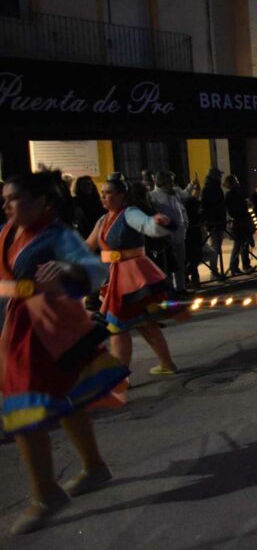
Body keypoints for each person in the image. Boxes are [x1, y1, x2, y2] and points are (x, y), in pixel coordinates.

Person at [1, 172, 130, 534]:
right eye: (5, 199)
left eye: (15, 198)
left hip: (50, 331)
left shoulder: (58, 235)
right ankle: (94, 467)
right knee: (68, 398)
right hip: (19, 329)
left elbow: (94, 270)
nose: (7, 205)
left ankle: (47, 493)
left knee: (22, 408)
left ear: (43, 201)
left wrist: (69, 268)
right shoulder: (7, 234)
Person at [86, 175, 179, 376]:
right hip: (118, 277)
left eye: (108, 193)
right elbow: (87, 245)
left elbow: (147, 225)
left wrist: (158, 223)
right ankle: (166, 364)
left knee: (118, 326)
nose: (103, 196)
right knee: (144, 324)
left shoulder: (130, 213)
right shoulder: (103, 220)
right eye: (101, 193)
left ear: (122, 196)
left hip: (133, 277)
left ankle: (120, 378)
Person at [149, 171, 189, 295]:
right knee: (168, 264)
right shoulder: (153, 196)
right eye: (170, 181)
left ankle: (181, 287)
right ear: (162, 182)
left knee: (180, 261)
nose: (172, 184)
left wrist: (185, 223)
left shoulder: (175, 194)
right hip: (166, 237)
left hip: (179, 234)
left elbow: (181, 210)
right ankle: (170, 289)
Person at [200, 168, 226, 279]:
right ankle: (214, 271)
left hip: (216, 220)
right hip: (215, 221)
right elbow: (210, 206)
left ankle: (215, 270)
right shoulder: (211, 188)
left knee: (217, 246)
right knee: (215, 246)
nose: (220, 177)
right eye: (219, 175)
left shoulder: (213, 187)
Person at [70, 176, 104, 240]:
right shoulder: (74, 201)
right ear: (79, 187)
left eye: (89, 184)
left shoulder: (98, 200)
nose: (87, 186)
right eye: (83, 185)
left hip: (99, 231)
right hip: (83, 233)